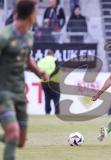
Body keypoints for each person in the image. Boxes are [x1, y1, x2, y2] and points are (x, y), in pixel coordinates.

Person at [0, 1, 48, 160]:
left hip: (19, 92)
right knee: (13, 135)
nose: (37, 15)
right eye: (36, 12)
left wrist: (39, 72)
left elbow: (27, 58)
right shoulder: (4, 36)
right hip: (3, 92)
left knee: (20, 140)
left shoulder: (29, 35)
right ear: (30, 15)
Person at [37, 50, 60, 115]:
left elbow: (37, 70)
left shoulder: (41, 61)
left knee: (47, 98)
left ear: (46, 54)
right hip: (54, 82)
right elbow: (58, 69)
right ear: (52, 54)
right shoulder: (55, 60)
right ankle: (57, 113)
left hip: (44, 82)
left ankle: (47, 113)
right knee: (56, 98)